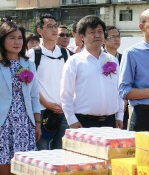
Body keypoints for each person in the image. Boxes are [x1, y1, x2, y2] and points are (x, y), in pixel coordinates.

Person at [60, 15, 124, 129]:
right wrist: (71, 119)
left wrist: (120, 116)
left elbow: (118, 90)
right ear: (82, 36)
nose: (97, 35)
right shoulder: (74, 61)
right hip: (83, 122)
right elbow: (66, 94)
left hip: (110, 122)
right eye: (92, 32)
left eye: (100, 31)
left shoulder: (112, 60)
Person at [0, 22, 41, 175]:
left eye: (20, 38)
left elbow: (34, 95)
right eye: (12, 38)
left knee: (24, 168)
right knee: (4, 166)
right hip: (3, 124)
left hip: (25, 123)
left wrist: (37, 123)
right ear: (2, 40)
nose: (17, 42)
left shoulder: (29, 64)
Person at [27, 14, 70, 150]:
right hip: (42, 111)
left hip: (63, 110)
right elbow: (30, 84)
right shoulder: (32, 54)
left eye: (55, 26)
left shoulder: (65, 53)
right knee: (42, 151)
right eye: (49, 26)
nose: (54, 30)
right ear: (39, 31)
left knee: (61, 151)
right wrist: (46, 103)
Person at [104, 26, 129, 130]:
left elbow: (129, 81)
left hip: (123, 106)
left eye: (118, 36)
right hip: (106, 107)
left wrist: (125, 100)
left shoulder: (125, 58)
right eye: (112, 36)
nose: (116, 39)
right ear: (104, 40)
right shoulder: (100, 59)